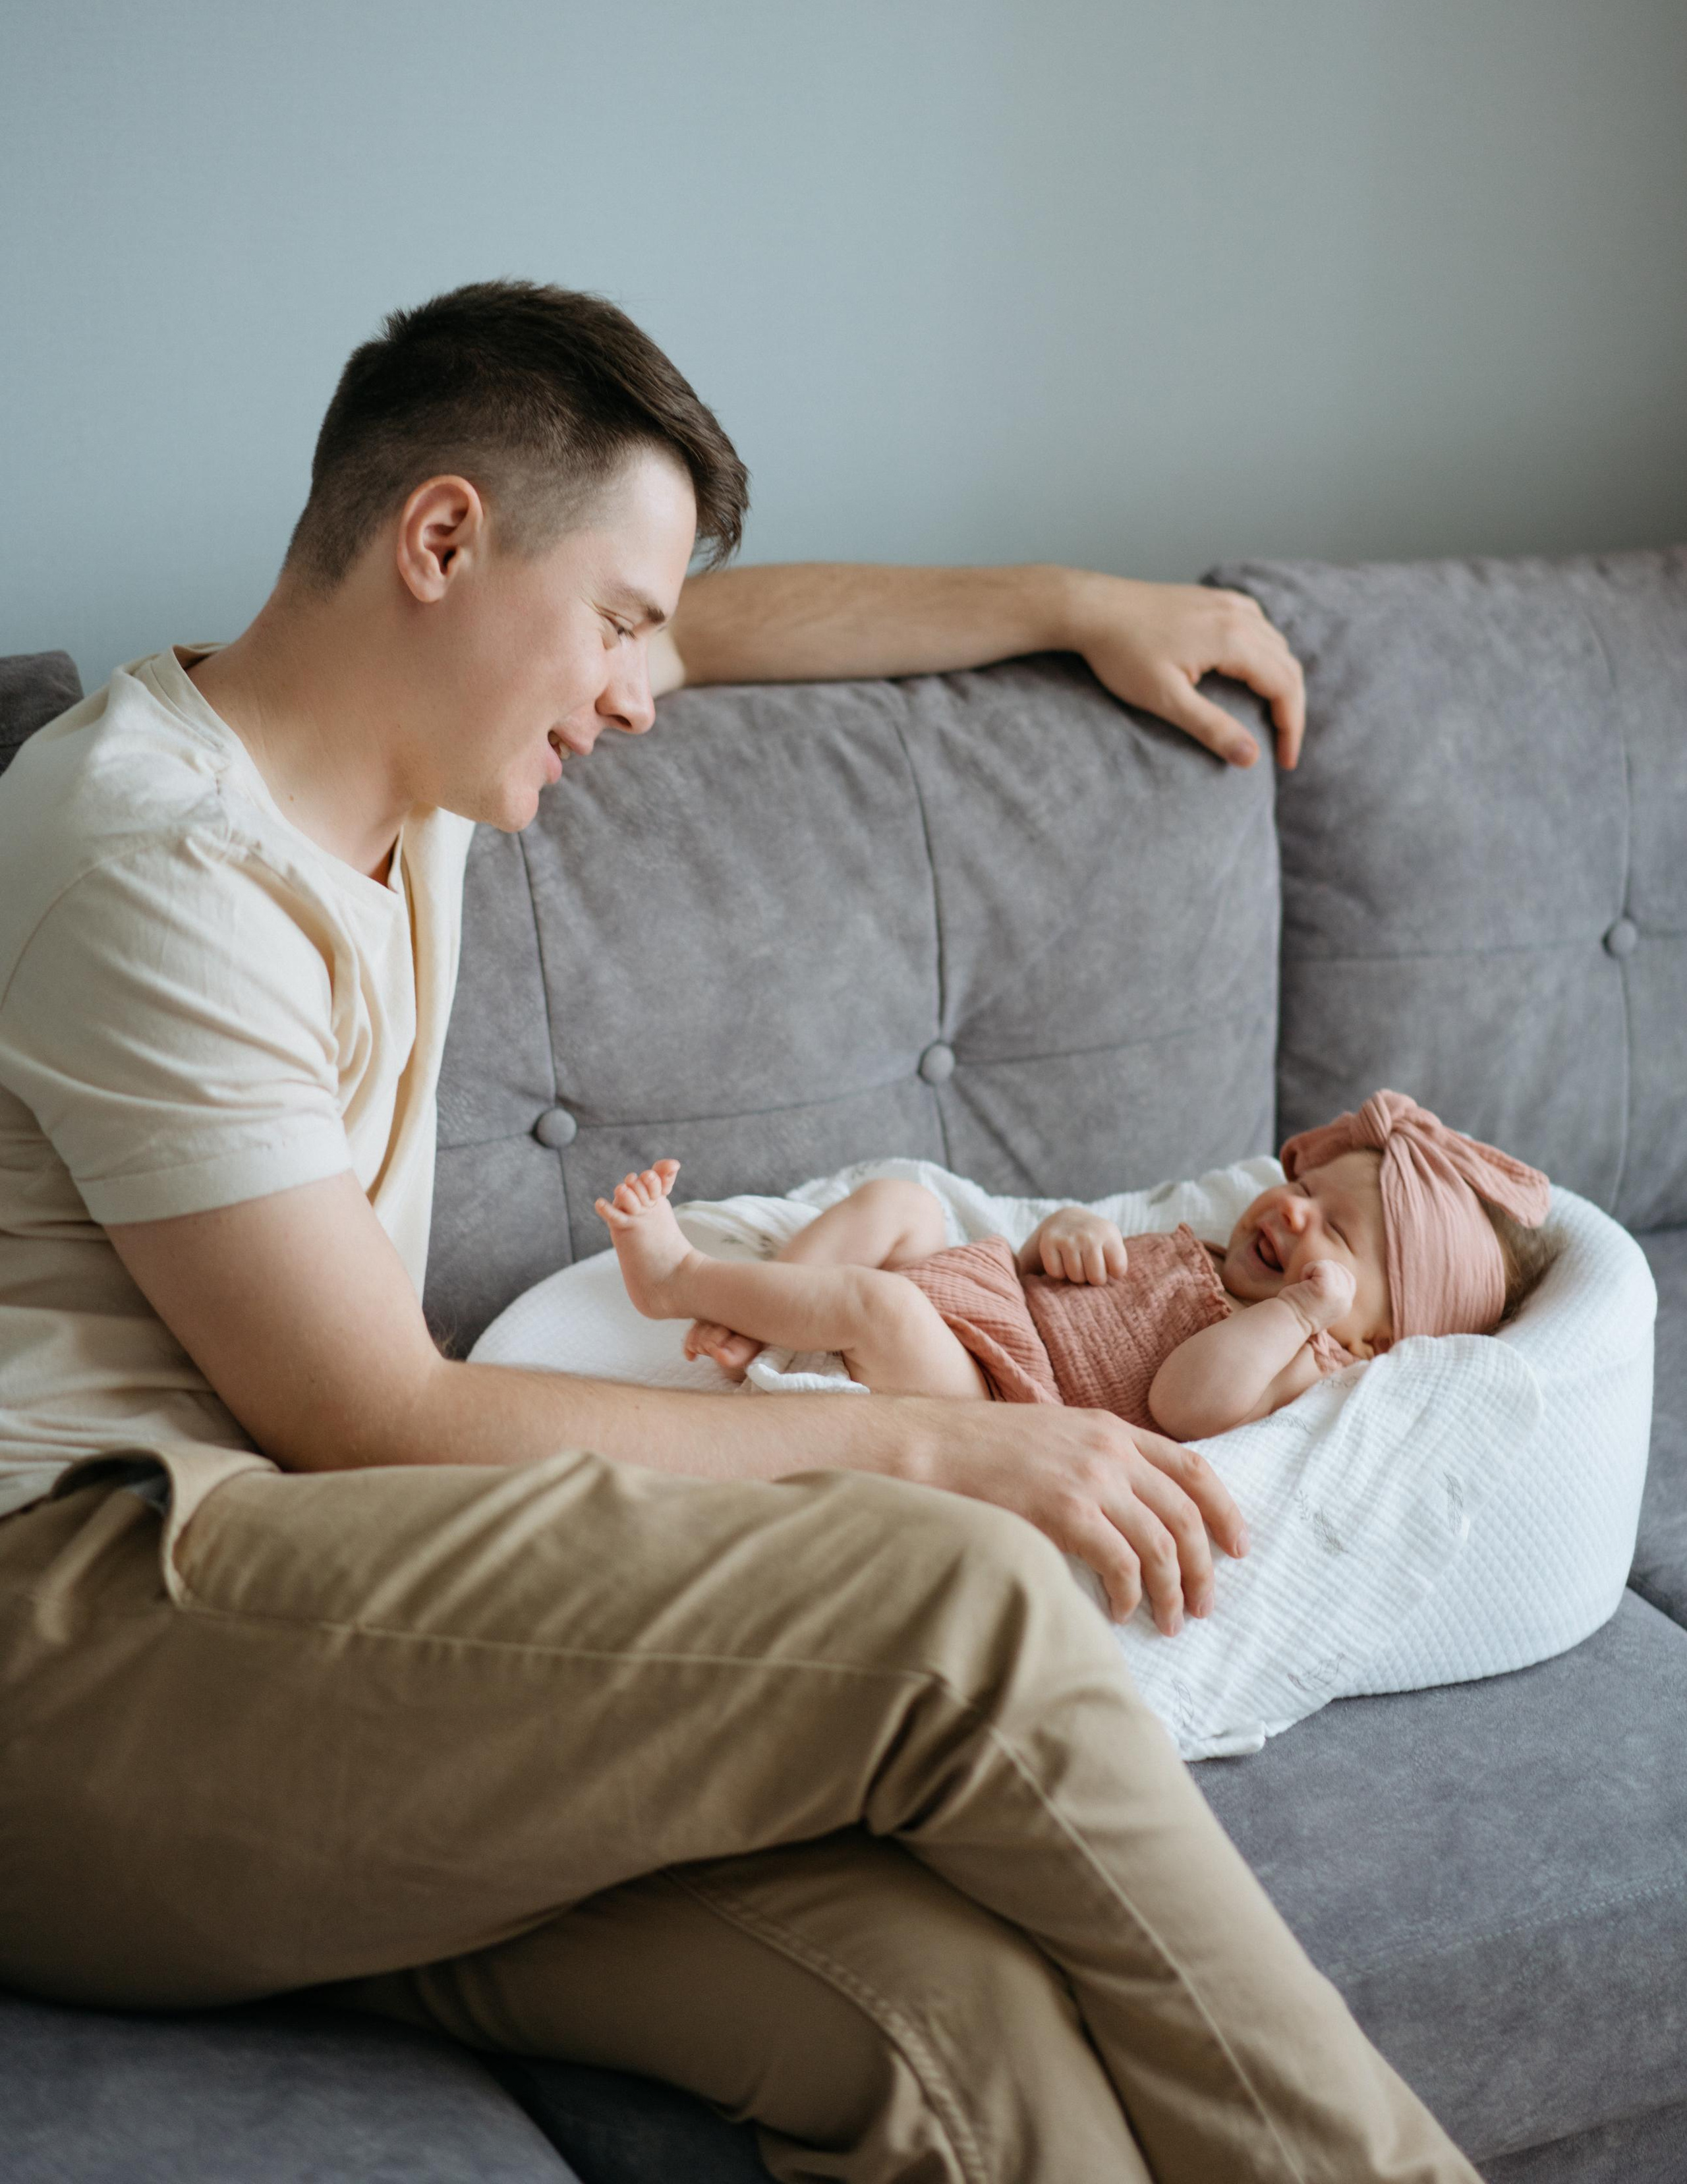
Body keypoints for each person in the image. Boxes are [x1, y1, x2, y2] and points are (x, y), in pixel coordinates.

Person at [0, 281, 1480, 2183]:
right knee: (961, 1595)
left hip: (307, 1662)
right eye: (617, 620)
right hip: (88, 1657)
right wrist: (934, 1436)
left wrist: (1072, 602)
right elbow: (369, 1416)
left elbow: (736, 628)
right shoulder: (158, 859)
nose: (639, 689)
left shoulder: (401, 752)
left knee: (959, 2038)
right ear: (440, 540)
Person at [598, 1089, 1555, 1438]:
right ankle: (756, 1322)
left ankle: (679, 1280)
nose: (1295, 1210)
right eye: (1308, 1189)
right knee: (899, 1202)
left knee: (882, 1311)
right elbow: (1050, 1274)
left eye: (1335, 1235)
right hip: (996, 1313)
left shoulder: (1298, 1360)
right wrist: (1064, 1234)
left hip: (1005, 1401)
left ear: (1374, 1339)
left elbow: (1185, 1402)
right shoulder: (1211, 1253)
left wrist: (1299, 1314)